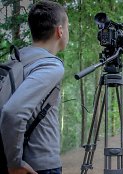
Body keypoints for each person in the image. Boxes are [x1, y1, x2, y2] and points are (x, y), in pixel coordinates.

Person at [0, 1, 69, 174]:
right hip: (40, 166)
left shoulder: (18, 59)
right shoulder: (51, 66)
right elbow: (12, 111)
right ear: (60, 31)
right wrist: (15, 163)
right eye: (68, 27)